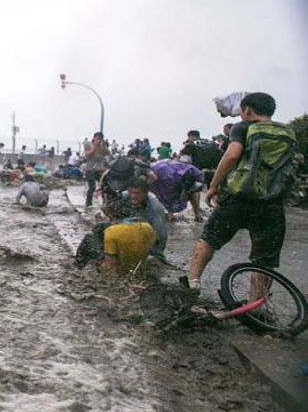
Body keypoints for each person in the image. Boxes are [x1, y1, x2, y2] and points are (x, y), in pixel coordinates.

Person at [187, 92, 297, 298]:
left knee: (209, 238)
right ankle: (255, 307)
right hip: (272, 203)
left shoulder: (243, 127)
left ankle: (192, 284)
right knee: (264, 259)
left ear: (246, 110)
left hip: (239, 200)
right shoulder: (288, 132)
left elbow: (232, 155)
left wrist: (213, 186)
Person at [101, 200, 157, 274]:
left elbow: (111, 262)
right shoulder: (147, 227)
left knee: (89, 239)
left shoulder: (111, 231)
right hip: (138, 268)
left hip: (120, 269)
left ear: (112, 216)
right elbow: (152, 246)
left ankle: (80, 268)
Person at [122, 178, 168, 262]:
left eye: (137, 193)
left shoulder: (155, 208)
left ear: (146, 193)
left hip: (143, 234)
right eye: (131, 192)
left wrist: (157, 255)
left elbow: (161, 235)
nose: (133, 196)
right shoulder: (123, 196)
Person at [84, 131, 109, 207]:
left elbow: (107, 153)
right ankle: (88, 203)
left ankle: (106, 202)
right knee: (92, 186)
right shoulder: (88, 145)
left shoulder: (102, 147)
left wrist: (104, 145)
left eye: (100, 139)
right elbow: (87, 156)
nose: (99, 140)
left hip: (99, 170)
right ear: (94, 138)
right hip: (90, 169)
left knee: (105, 185)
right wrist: (95, 147)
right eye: (97, 138)